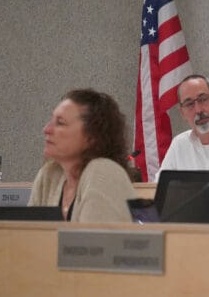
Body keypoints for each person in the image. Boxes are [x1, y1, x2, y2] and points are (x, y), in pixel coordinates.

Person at [28, 89, 137, 222]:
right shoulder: (49, 175)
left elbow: (93, 241)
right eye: (52, 120)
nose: (46, 129)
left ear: (92, 137)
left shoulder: (104, 172)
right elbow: (28, 237)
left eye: (60, 123)